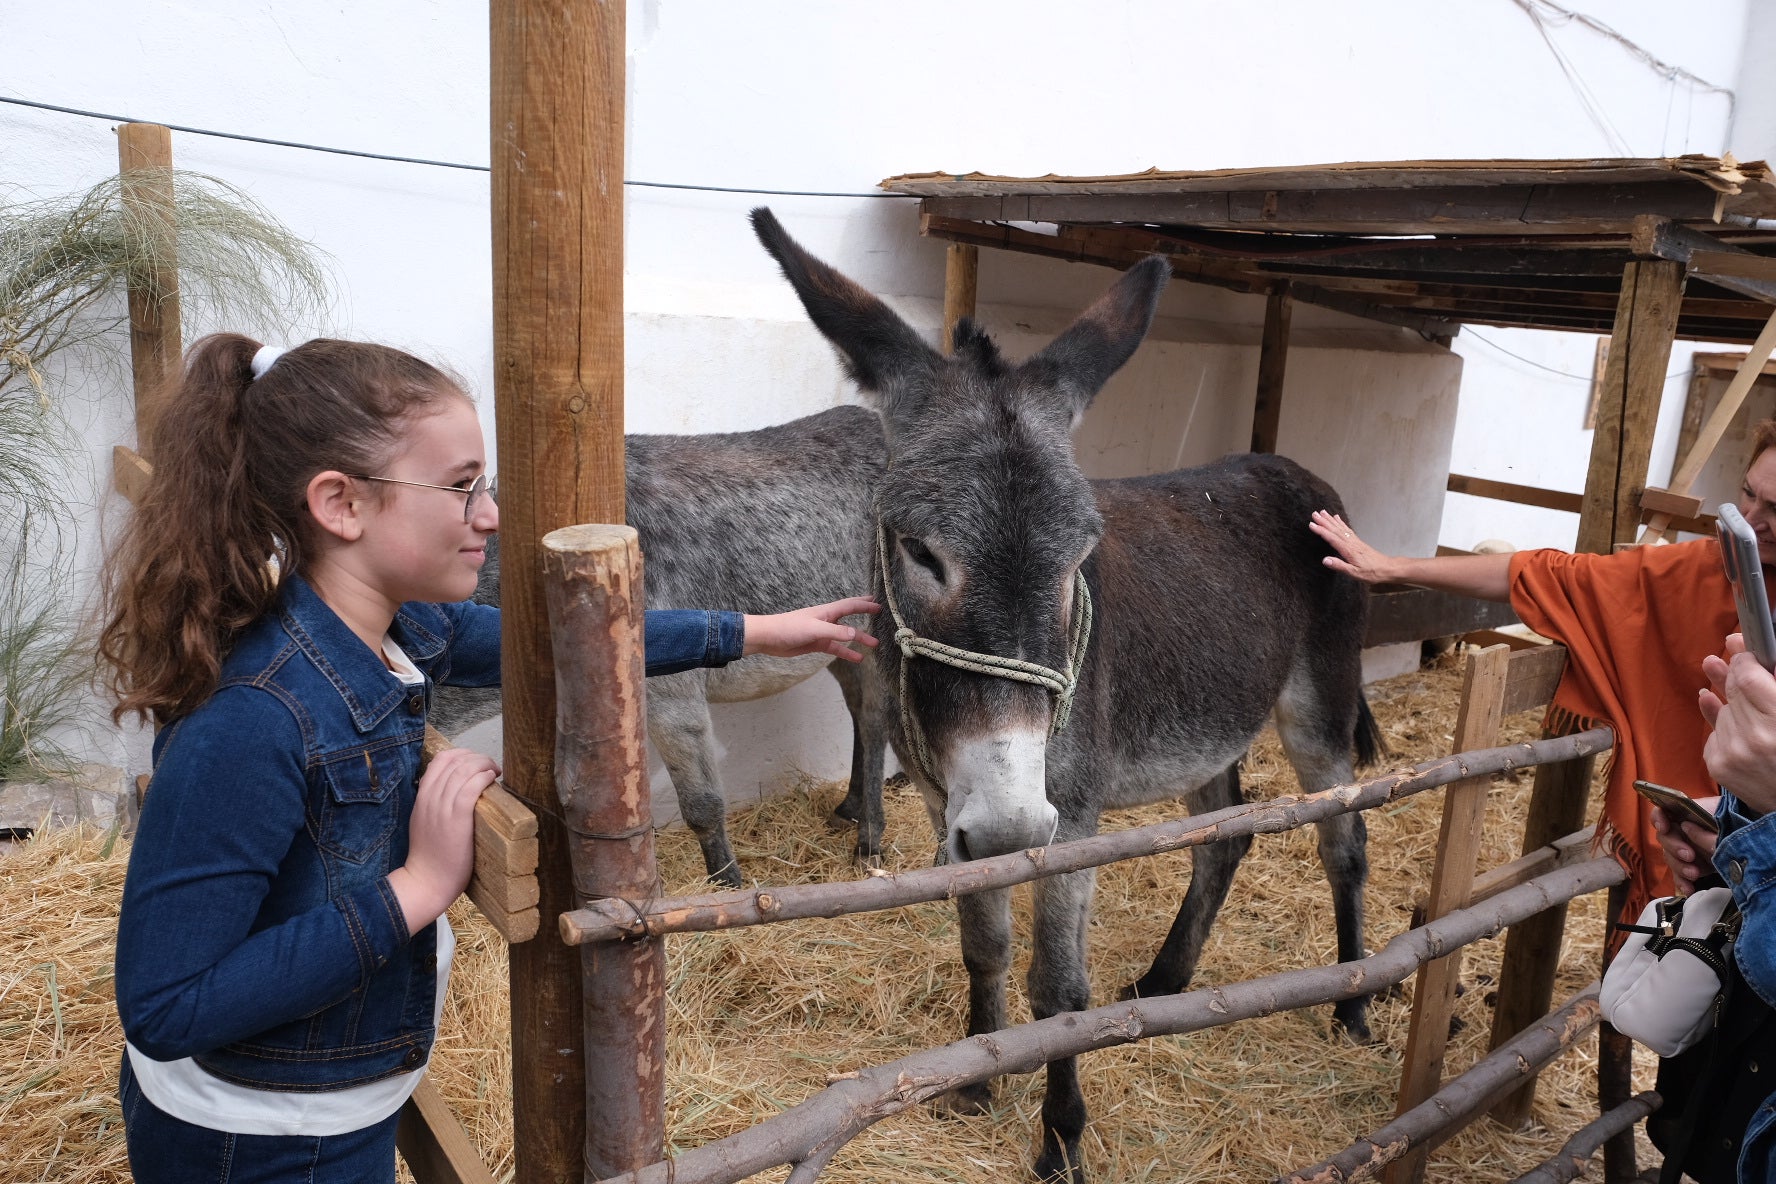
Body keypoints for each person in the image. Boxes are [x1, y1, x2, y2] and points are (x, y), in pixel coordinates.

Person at [98, 334, 879, 1183]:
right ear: (341, 504)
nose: (491, 515)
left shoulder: (395, 627)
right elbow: (166, 1004)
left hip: (336, 1103)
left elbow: (556, 641)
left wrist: (750, 632)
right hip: (258, 1139)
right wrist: (419, 888)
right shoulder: (254, 719)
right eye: (463, 486)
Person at [1309, 423, 1776, 928]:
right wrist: (1392, 567)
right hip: (1701, 860)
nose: (1751, 520)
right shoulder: (1702, 570)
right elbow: (1550, 575)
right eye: (1748, 494)